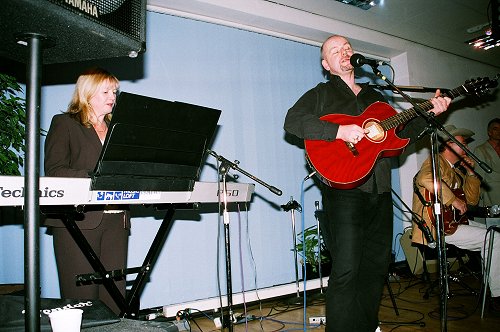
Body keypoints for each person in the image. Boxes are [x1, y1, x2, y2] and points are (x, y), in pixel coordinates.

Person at [283, 34, 451, 332]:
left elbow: (402, 133)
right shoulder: (321, 94)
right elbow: (293, 121)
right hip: (344, 192)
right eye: (335, 50)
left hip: (381, 190)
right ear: (326, 64)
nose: (344, 52)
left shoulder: (376, 96)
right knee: (346, 270)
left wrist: (430, 115)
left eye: (347, 48)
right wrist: (339, 131)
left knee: (375, 268)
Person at [44, 67, 130, 315]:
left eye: (114, 91)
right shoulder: (65, 123)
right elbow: (55, 171)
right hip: (77, 220)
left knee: (115, 296)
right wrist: (96, 178)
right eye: (105, 91)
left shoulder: (118, 129)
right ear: (87, 93)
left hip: (116, 220)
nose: (112, 96)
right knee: (81, 298)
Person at [411, 125, 500, 312]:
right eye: (463, 142)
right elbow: (425, 179)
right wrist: (453, 200)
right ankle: (497, 295)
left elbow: (471, 200)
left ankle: (492, 284)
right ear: (448, 145)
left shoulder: (456, 170)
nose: (467, 145)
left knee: (494, 234)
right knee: (494, 238)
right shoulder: (435, 161)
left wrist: (470, 173)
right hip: (438, 226)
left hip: (452, 222)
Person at [474, 118, 500, 227]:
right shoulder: (480, 150)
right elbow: (479, 176)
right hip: (492, 194)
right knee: (494, 228)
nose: (499, 131)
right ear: (489, 132)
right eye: (495, 129)